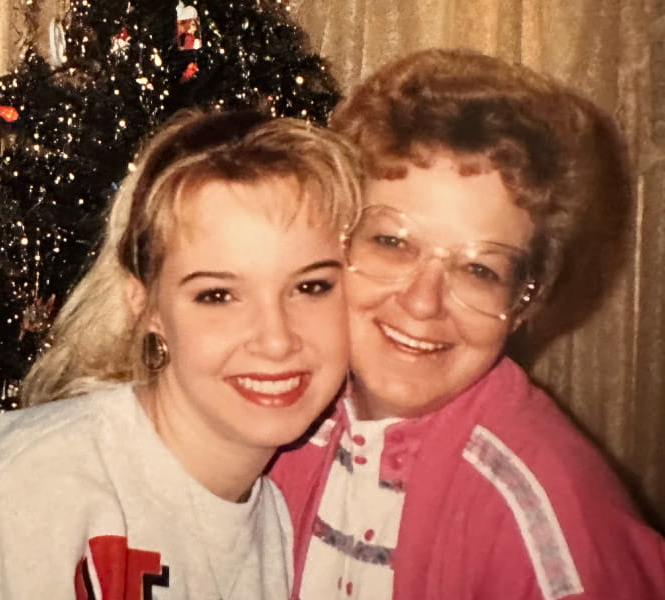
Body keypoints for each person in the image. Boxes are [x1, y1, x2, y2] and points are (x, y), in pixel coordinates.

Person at [0, 109, 361, 599]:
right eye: (217, 295)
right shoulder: (35, 485)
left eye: (311, 286)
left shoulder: (270, 523)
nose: (276, 339)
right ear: (146, 305)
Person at [271, 48, 665, 599]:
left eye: (479, 269)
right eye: (393, 241)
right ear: (337, 239)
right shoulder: (282, 414)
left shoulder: (543, 517)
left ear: (525, 301)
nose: (424, 302)